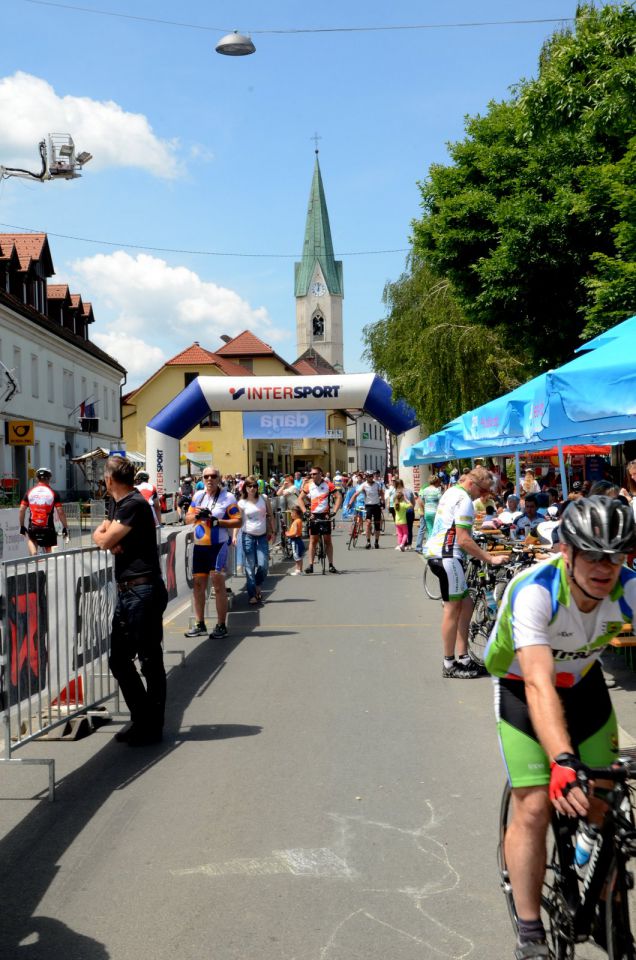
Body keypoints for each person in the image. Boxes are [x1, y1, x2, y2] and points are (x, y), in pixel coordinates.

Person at [484, 496, 636, 959]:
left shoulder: (628, 589)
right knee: (534, 805)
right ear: (566, 552)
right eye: (592, 553)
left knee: (606, 797)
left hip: (583, 684)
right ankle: (530, 931)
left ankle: (594, 864)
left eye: (616, 554)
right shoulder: (535, 591)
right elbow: (537, 682)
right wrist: (563, 761)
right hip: (523, 687)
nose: (605, 566)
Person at [93, 456, 168, 747]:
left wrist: (108, 539)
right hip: (129, 591)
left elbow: (103, 541)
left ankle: (151, 726)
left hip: (143, 590)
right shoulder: (118, 504)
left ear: (110, 479)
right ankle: (143, 718)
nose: (103, 479)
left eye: (104, 475)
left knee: (149, 660)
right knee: (119, 660)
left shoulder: (134, 504)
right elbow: (104, 535)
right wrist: (108, 537)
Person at [425, 465, 507, 678]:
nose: (484, 496)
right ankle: (449, 663)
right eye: (483, 491)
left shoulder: (452, 490)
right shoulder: (465, 501)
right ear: (472, 484)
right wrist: (490, 558)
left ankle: (464, 657)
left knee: (467, 604)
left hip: (440, 553)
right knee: (452, 610)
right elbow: (463, 539)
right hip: (448, 556)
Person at [184, 466, 241, 640]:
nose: (209, 479)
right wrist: (198, 516)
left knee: (217, 586)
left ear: (219, 478)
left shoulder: (227, 497)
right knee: (199, 586)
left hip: (218, 545)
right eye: (206, 476)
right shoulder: (198, 495)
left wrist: (217, 521)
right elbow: (187, 518)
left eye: (213, 476)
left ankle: (221, 625)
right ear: (202, 479)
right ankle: (200, 624)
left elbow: (238, 521)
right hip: (200, 545)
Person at [236, 475, 275, 604]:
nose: (252, 489)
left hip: (262, 536)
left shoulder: (264, 499)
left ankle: (258, 584)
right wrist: (235, 535)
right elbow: (239, 520)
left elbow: (270, 516)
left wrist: (273, 531)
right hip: (248, 536)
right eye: (250, 486)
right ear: (245, 488)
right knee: (250, 565)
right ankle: (252, 594)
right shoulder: (241, 503)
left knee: (263, 565)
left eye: (254, 486)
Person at [297, 465, 342, 574]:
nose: (312, 475)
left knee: (328, 540)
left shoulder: (328, 484)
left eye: (314, 473)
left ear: (321, 474)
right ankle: (311, 565)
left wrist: (334, 511)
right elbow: (300, 498)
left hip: (325, 514)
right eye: (311, 474)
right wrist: (305, 512)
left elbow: (339, 497)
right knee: (313, 540)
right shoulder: (308, 485)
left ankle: (331, 564)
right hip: (313, 515)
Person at [19, 467, 68, 556]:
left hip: (33, 526)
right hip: (48, 528)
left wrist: (22, 526)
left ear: (37, 478)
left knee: (31, 540)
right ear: (49, 478)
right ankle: (50, 564)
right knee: (50, 552)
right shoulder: (53, 493)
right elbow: (60, 512)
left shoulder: (29, 492)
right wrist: (65, 527)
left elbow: (21, 509)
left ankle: (34, 555)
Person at [349, 470, 383, 549]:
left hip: (377, 505)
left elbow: (381, 493)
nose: (370, 478)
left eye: (371, 476)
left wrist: (383, 501)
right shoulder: (363, 485)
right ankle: (368, 542)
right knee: (368, 523)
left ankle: (376, 542)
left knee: (377, 525)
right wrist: (350, 503)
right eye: (368, 476)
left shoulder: (377, 484)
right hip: (368, 506)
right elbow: (356, 494)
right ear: (366, 477)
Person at [415, 475, 442, 554]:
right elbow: (441, 501)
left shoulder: (425, 490)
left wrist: (424, 508)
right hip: (436, 513)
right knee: (436, 530)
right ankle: (435, 548)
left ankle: (429, 548)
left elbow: (420, 501)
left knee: (429, 530)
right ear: (436, 482)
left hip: (427, 513)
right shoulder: (437, 490)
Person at [285, 504, 305, 575]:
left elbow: (295, 532)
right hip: (298, 540)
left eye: (292, 513)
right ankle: (300, 570)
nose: (291, 515)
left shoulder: (296, 521)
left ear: (296, 513)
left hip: (296, 540)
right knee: (300, 556)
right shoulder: (299, 520)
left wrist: (288, 534)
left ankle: (298, 570)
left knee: (296, 556)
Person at [393, 486, 411, 551]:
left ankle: (399, 545)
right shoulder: (403, 504)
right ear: (402, 497)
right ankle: (402, 544)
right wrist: (406, 499)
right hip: (403, 521)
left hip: (397, 522)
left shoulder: (395, 504)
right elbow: (410, 505)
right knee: (405, 533)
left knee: (399, 534)